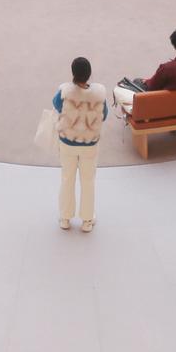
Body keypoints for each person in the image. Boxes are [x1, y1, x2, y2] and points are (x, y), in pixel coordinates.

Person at [53, 56, 107, 232]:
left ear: (73, 73)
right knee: (88, 181)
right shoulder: (99, 93)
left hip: (67, 142)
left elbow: (56, 105)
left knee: (67, 178)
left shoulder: (64, 91)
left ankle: (65, 218)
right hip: (89, 144)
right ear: (89, 74)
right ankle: (87, 220)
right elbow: (104, 115)